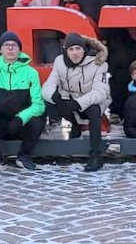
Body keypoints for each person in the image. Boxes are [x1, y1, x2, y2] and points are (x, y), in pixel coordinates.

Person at [0, 32, 46, 171]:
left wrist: (21, 118)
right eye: (6, 45)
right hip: (1, 121)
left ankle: (24, 156)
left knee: (38, 119)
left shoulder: (31, 73)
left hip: (21, 124)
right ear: (0, 49)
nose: (10, 48)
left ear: (19, 49)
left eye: (14, 45)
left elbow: (39, 104)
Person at [42, 33, 111, 172]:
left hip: (90, 102)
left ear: (84, 49)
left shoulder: (98, 63)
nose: (75, 53)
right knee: (47, 102)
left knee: (94, 110)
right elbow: (48, 85)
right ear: (65, 50)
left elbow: (100, 92)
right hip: (69, 101)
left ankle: (96, 155)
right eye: (71, 49)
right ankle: (43, 145)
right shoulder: (59, 61)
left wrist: (79, 103)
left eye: (78, 48)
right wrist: (53, 97)